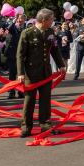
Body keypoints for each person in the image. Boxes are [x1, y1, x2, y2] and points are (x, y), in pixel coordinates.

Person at [17, 9, 67, 138]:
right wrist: (20, 73)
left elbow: (54, 50)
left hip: (46, 72)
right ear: (44, 20)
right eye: (51, 19)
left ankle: (45, 125)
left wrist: (61, 65)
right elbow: (20, 55)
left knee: (45, 100)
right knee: (29, 101)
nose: (52, 21)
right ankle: (26, 127)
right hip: (31, 73)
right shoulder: (27, 33)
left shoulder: (50, 32)